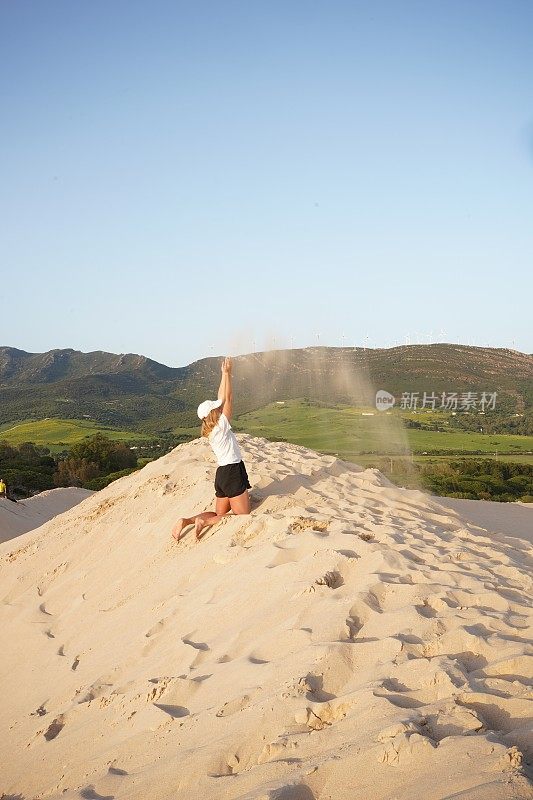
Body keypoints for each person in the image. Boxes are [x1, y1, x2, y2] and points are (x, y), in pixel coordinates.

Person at [172, 356, 251, 542]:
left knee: (218, 513)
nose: (219, 406)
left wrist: (224, 374)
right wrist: (229, 376)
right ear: (213, 413)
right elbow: (228, 398)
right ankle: (203, 524)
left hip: (222, 474)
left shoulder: (211, 429)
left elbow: (221, 398)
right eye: (216, 408)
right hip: (232, 472)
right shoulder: (222, 424)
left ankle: (187, 521)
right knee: (243, 515)